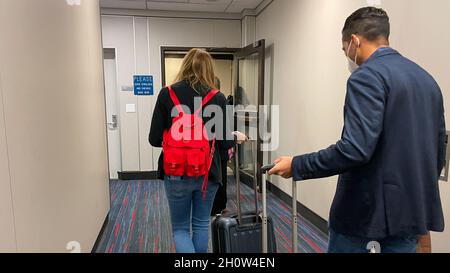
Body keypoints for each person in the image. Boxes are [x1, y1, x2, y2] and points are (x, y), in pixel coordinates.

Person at [269, 7, 445, 253]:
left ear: (354, 41)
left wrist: (297, 165)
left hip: (366, 219)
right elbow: (437, 151)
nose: (347, 56)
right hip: (410, 215)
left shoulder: (366, 76)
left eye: (344, 50)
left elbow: (354, 149)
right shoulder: (427, 81)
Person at [149, 48, 246, 253]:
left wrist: (177, 142)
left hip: (175, 172)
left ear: (184, 66)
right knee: (201, 223)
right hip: (208, 173)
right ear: (209, 70)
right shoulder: (218, 98)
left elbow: (154, 138)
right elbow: (225, 143)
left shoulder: (167, 94)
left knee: (180, 229)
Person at [211, 77, 232, 216]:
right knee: (220, 178)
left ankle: (217, 205)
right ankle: (219, 206)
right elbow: (225, 128)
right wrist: (231, 141)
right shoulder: (219, 99)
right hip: (218, 148)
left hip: (208, 148)